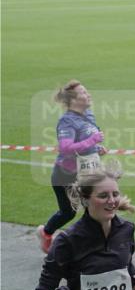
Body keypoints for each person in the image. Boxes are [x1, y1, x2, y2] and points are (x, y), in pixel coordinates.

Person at [37, 80, 106, 254]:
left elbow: (85, 144)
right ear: (73, 100)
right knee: (68, 213)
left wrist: (96, 149)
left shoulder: (89, 114)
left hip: (86, 174)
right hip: (65, 176)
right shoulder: (67, 121)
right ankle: (45, 233)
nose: (88, 94)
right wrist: (93, 141)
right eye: (83, 92)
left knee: (93, 208)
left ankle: (94, 245)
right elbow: (66, 148)